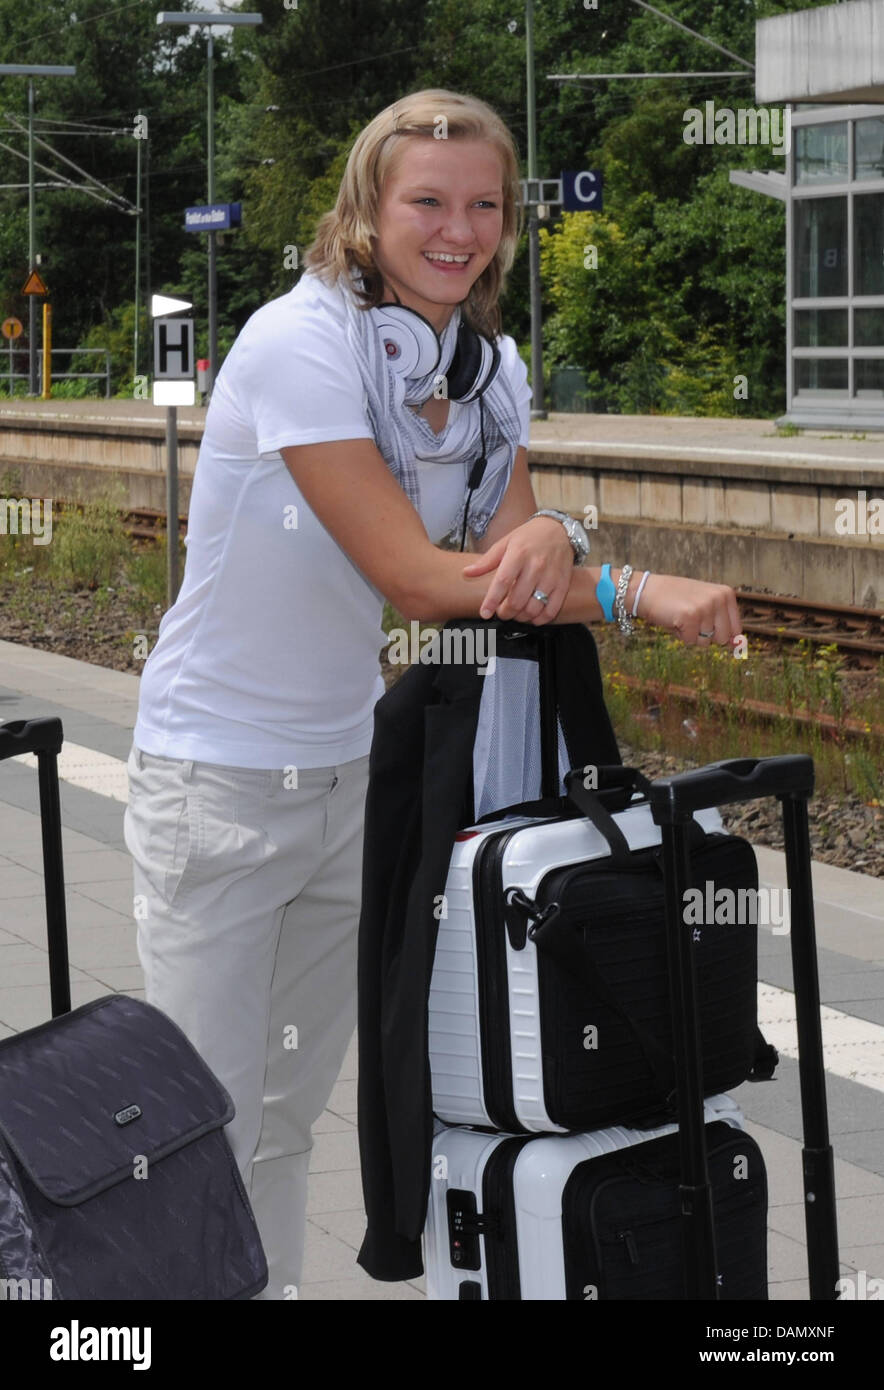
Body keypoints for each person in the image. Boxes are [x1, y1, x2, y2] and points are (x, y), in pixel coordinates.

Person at [123, 87, 742, 1300]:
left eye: (482, 205)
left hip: (346, 782)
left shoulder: (488, 369)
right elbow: (418, 579)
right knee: (201, 1125)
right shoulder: (295, 344)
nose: (455, 229)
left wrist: (559, 533)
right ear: (366, 212)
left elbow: (510, 570)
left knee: (288, 1114)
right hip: (217, 780)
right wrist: (631, 583)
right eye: (426, 202)